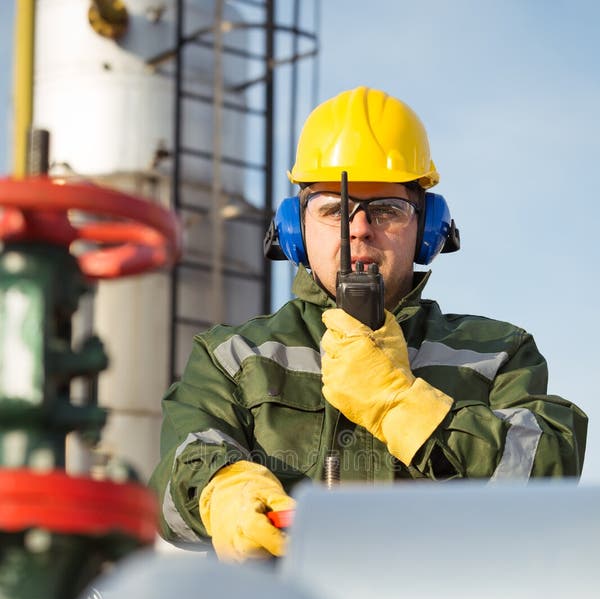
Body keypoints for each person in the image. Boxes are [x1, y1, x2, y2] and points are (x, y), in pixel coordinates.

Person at [149, 86, 588, 562]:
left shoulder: (497, 353)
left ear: (427, 230)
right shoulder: (232, 358)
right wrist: (224, 488)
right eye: (334, 209)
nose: (358, 228)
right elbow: (172, 488)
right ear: (295, 228)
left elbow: (550, 473)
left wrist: (403, 406)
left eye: (385, 210)